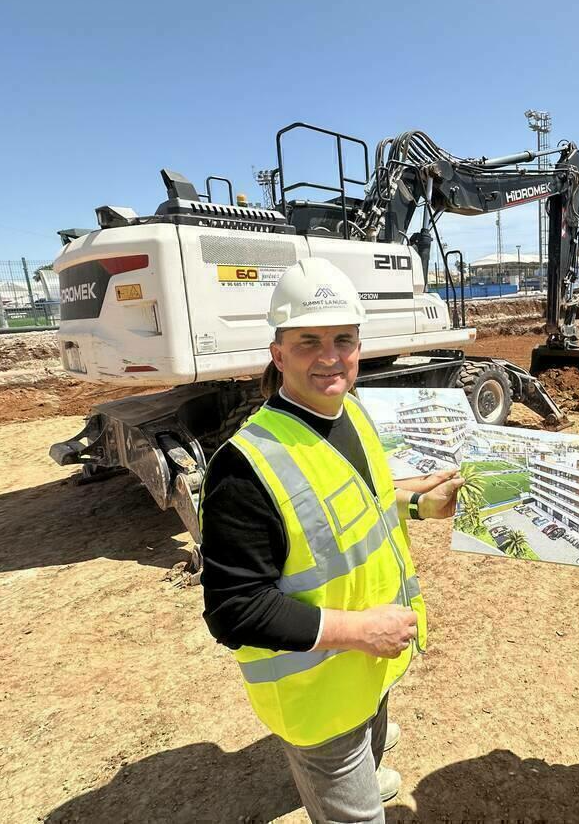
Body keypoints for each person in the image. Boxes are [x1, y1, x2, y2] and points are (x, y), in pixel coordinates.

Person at [199, 257, 463, 824]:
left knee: (371, 736)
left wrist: (416, 501)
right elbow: (234, 610)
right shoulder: (245, 468)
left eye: (343, 339)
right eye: (307, 341)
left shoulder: (353, 412)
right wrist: (362, 630)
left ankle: (367, 769)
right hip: (316, 692)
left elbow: (353, 501)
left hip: (368, 666)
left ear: (359, 345)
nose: (329, 357)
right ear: (277, 354)